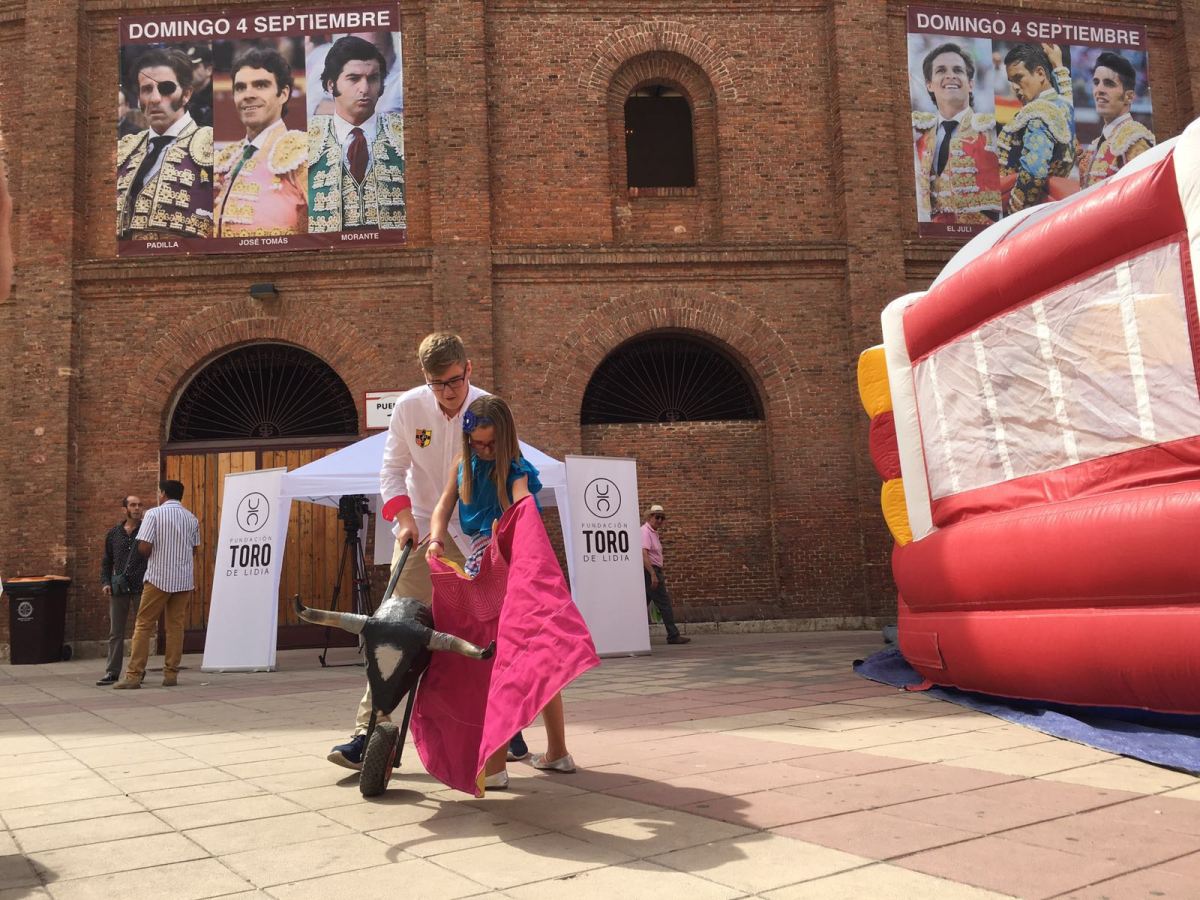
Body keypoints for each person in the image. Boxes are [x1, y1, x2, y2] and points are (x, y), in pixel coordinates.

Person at [329, 333, 525, 768]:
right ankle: (368, 731)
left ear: (469, 369)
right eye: (437, 384)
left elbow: (508, 468)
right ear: (425, 379)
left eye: (454, 381)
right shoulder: (409, 407)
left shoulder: (487, 408)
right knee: (393, 627)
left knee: (487, 634)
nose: (447, 393)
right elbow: (392, 470)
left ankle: (505, 725)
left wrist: (502, 532)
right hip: (422, 529)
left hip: (477, 533)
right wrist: (404, 521)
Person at [427, 395, 575, 789]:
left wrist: (515, 519)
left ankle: (496, 766)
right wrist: (437, 539)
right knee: (529, 658)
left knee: (497, 659)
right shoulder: (464, 465)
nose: (484, 449)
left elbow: (523, 500)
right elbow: (442, 507)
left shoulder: (515, 467)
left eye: (491, 443)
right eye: (476, 443)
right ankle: (555, 752)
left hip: (512, 559)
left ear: (506, 437)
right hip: (484, 560)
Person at [307, 35, 406, 233]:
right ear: (330, 85)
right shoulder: (305, 140)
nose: (365, 88)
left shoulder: (404, 133)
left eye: (373, 78)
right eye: (353, 79)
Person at [116, 48, 214, 240]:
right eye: (146, 89)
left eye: (166, 89)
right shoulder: (125, 148)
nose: (154, 99)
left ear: (186, 94)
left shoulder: (210, 143)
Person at [214, 47, 308, 237]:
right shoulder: (226, 159)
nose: (248, 94)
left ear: (283, 94)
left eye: (261, 85)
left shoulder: (303, 151)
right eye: (240, 88)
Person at [114, 480, 200, 689]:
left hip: (158, 578)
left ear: (163, 494)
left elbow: (143, 547)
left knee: (143, 625)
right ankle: (171, 674)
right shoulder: (191, 518)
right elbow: (194, 549)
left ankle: (134, 675)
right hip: (183, 579)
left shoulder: (153, 514)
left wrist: (156, 556)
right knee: (175, 627)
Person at [912, 42, 1001, 225]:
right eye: (941, 71)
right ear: (929, 85)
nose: (950, 76)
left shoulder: (991, 130)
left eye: (958, 70)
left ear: (970, 84)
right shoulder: (918, 135)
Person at [997, 43, 1075, 213]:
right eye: (1011, 81)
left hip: (1029, 208)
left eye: (1019, 78)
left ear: (1040, 73)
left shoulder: (1038, 113)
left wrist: (1013, 212)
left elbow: (1033, 172)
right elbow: (1067, 95)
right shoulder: (1064, 106)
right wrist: (1058, 65)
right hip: (1049, 205)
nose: (1015, 87)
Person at [1077, 52, 1155, 188]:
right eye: (1096, 82)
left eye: (1109, 84)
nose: (1099, 90)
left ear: (1129, 97)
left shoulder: (1135, 140)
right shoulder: (1096, 144)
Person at [96, 495, 147, 685]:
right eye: (133, 505)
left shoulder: (147, 530)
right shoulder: (113, 534)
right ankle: (112, 672)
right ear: (124, 509)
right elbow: (106, 561)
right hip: (118, 588)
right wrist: (105, 582)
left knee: (141, 631)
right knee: (115, 632)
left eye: (140, 505)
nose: (137, 508)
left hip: (142, 587)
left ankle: (137, 670)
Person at [641, 504, 690, 645]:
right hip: (650, 571)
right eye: (657, 517)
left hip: (653, 571)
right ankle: (673, 635)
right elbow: (643, 554)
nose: (660, 520)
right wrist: (653, 574)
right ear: (650, 517)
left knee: (643, 604)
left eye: (662, 518)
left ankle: (630, 634)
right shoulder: (645, 532)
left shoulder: (653, 532)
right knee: (665, 604)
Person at [185, 44, 213, 127]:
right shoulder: (187, 97)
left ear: (209, 70)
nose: (189, 71)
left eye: (194, 66)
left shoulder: (214, 100)